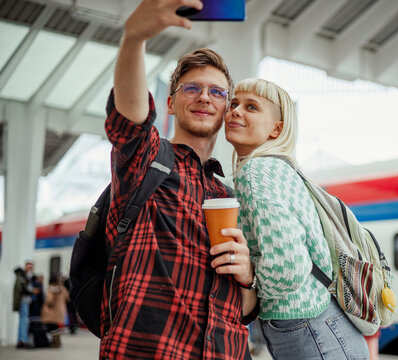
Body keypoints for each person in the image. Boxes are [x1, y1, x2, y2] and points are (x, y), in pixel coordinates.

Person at [99, 0, 257, 358]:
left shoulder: (230, 194)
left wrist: (247, 276)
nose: (205, 97)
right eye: (192, 88)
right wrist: (133, 39)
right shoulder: (147, 161)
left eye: (217, 92)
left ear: (225, 110)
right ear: (170, 103)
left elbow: (246, 312)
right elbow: (129, 119)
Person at [225, 78, 370, 359]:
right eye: (234, 104)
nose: (236, 111)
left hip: (310, 333)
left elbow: (287, 267)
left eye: (251, 107)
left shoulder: (255, 173)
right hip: (329, 326)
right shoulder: (281, 168)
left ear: (276, 129)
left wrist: (249, 287)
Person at [12, 260, 34, 349]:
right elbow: (22, 289)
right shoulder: (22, 276)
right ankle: (24, 340)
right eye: (28, 266)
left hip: (25, 300)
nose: (30, 268)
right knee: (24, 321)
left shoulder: (26, 276)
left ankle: (21, 340)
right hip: (23, 300)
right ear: (25, 266)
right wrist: (31, 291)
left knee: (22, 320)